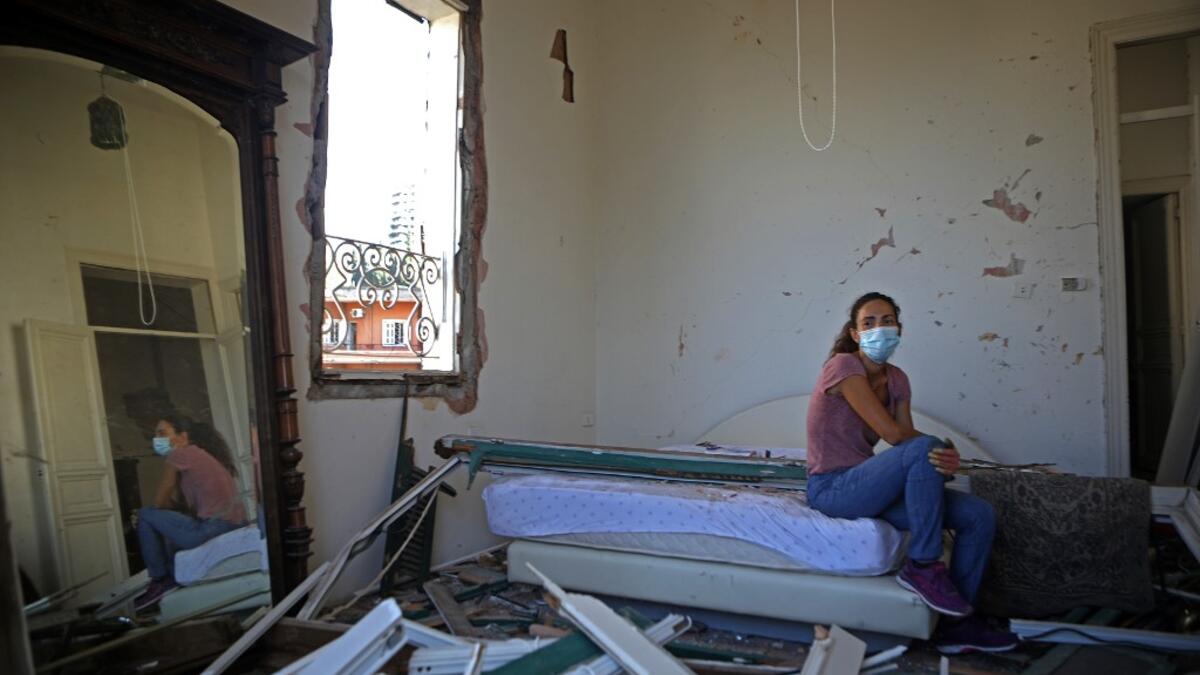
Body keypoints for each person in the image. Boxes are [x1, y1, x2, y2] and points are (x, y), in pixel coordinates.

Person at [805, 292, 1018, 654]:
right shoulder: (843, 366)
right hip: (833, 488)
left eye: (887, 320)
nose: (879, 328)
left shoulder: (898, 379)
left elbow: (907, 439)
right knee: (925, 448)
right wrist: (933, 448)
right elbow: (893, 435)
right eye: (868, 323)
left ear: (899, 328)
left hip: (870, 487)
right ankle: (923, 564)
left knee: (979, 515)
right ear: (855, 334)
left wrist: (946, 455)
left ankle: (958, 626)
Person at [133, 413, 247, 611]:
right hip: (229, 525)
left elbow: (159, 501)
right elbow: (187, 511)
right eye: (155, 434)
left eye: (162, 432)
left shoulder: (180, 453)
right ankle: (172, 577)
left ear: (183, 436)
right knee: (164, 524)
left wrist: (150, 516)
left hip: (214, 527)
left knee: (145, 514)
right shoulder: (202, 456)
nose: (157, 439)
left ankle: (160, 580)